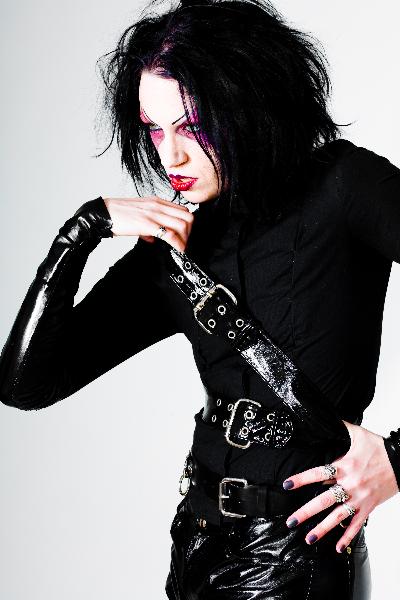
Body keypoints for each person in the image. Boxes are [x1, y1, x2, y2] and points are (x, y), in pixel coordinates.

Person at [1, 0, 400, 597]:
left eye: (189, 125)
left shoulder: (347, 186)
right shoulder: (177, 245)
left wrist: (398, 458)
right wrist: (80, 233)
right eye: (153, 128)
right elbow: (26, 384)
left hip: (297, 559)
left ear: (249, 104)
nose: (170, 155)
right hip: (194, 546)